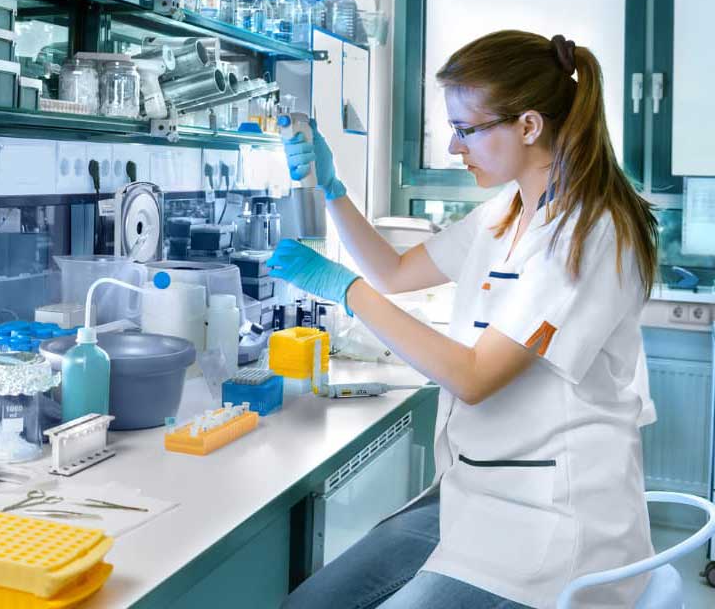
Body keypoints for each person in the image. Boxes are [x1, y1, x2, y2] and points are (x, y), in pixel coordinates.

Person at [272, 30, 659, 609]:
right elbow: (396, 272)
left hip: (552, 522)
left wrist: (342, 289)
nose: (454, 148)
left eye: (465, 130)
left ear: (528, 126)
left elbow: (475, 377)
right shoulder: (506, 212)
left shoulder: (592, 234)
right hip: (473, 495)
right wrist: (333, 189)